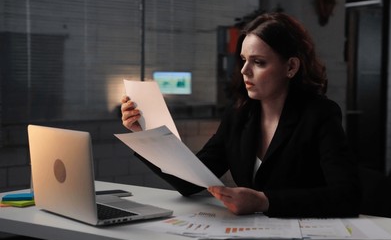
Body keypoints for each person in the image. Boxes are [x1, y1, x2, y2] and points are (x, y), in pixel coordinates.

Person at [121, 12, 361, 218]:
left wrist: (264, 201)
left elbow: (346, 196)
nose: (245, 70)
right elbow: (190, 182)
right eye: (244, 60)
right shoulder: (239, 114)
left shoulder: (319, 114)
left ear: (291, 67)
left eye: (258, 62)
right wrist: (145, 135)